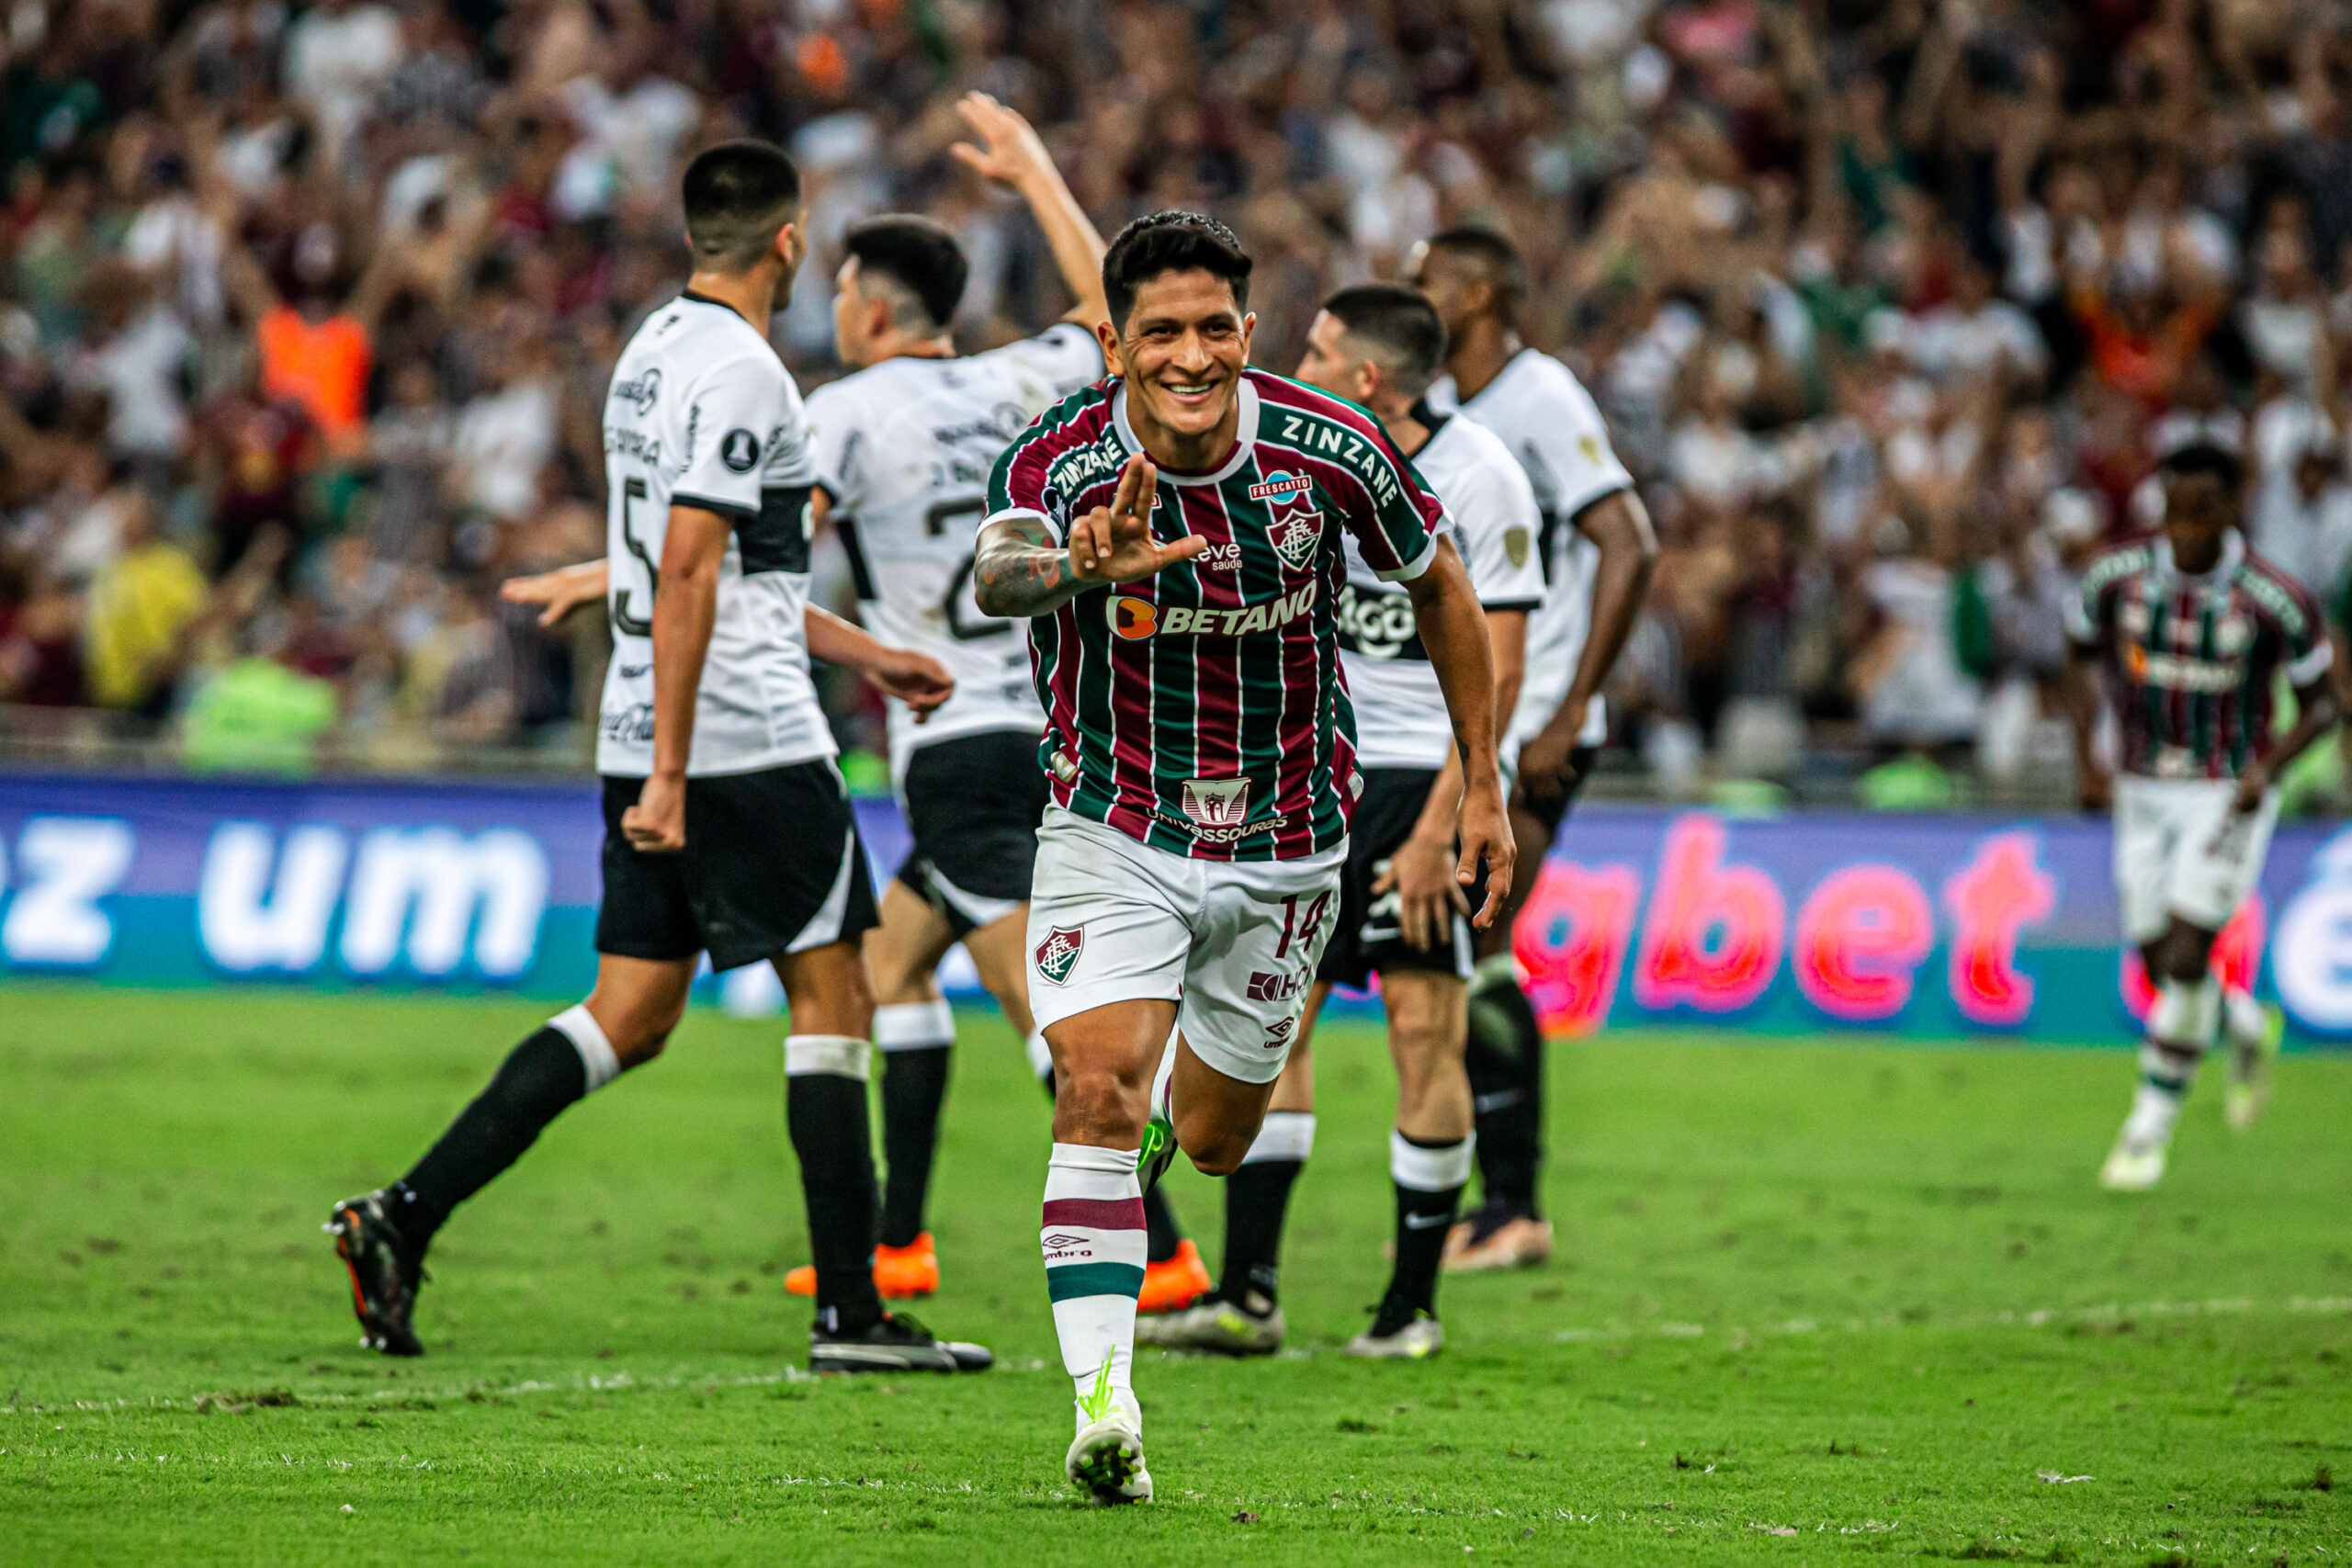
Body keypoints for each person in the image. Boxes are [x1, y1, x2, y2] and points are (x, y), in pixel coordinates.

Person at [327, 141, 990, 1374]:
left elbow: (712, 573)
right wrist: (683, 770)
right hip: (735, 736)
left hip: (640, 721)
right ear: (789, 241)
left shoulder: (649, 352)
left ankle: (399, 1215)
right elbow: (688, 568)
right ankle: (850, 1309)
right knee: (833, 997)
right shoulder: (749, 375)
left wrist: (865, 653)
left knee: (629, 1013)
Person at [973, 211, 1514, 1503]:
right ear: (1119, 342)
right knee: (1094, 1087)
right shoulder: (1057, 461)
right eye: (1162, 330)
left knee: (1214, 1137)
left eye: (1215, 326)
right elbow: (996, 571)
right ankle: (1107, 1409)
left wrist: (1481, 777)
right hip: (1115, 826)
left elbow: (1442, 585)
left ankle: (1165, 1124)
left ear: (1249, 332)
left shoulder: (1332, 450)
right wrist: (1070, 564)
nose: (1192, 353)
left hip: (1287, 848)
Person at [1139, 284, 1543, 1360]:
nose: (1293, 364)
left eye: (1315, 349)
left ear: (1366, 376)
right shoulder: (1297, 459)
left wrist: (1449, 813)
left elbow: (1498, 661)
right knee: (1277, 1022)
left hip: (1421, 783)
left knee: (1423, 1026)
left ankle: (1409, 1309)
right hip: (1311, 773)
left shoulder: (1482, 476)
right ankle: (1249, 1296)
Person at [1408, 227, 1658, 1271]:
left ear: (1474, 294)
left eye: (1427, 281)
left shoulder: (1540, 396)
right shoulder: (1448, 414)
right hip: (1474, 721)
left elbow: (1630, 542)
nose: (1415, 294)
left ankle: (1509, 1202)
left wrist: (1569, 710)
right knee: (1467, 953)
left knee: (1475, 949)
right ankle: (1498, 1199)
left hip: (1536, 719)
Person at [2065, 442, 2336, 1191]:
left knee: (2187, 957)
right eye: (2175, 510)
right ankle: (2243, 1021)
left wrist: (2267, 768)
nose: (2185, 528)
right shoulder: (2115, 579)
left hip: (2227, 787)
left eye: (2202, 512)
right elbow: (2076, 650)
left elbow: (2323, 708)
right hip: (2140, 785)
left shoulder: (2276, 598)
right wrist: (2085, 758)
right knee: (2159, 966)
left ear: (2231, 508)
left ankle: (2146, 1131)